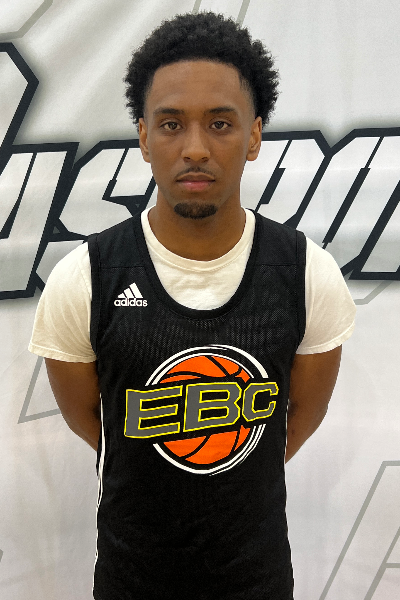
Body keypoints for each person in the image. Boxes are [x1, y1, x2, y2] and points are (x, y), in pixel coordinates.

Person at [29, 11, 356, 600]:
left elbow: (295, 422)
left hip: (256, 580)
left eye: (221, 124)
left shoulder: (307, 273)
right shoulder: (85, 277)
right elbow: (97, 426)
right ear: (143, 137)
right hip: (132, 580)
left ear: (254, 136)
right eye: (171, 124)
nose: (195, 148)